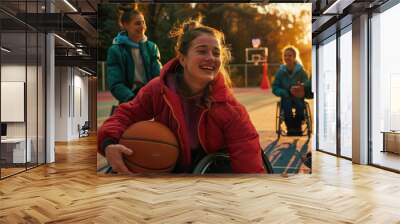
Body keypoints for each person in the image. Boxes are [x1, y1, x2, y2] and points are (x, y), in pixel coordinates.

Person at [98, 18, 266, 174]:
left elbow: (248, 160)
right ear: (183, 59)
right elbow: (125, 115)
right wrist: (108, 144)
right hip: (169, 171)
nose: (211, 58)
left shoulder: (230, 109)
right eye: (202, 51)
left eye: (216, 53)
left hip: (211, 177)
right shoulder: (158, 89)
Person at [106, 6, 162, 107]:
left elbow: (158, 77)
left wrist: (153, 96)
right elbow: (116, 83)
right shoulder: (115, 51)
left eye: (143, 22)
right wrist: (132, 99)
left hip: (151, 99)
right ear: (125, 25)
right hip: (130, 101)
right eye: (137, 23)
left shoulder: (152, 47)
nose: (142, 26)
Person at [272, 46, 312, 136]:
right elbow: (275, 87)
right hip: (286, 96)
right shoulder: (280, 72)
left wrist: (301, 87)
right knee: (286, 104)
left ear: (294, 57)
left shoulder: (301, 71)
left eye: (289, 55)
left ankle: (298, 127)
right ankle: (290, 127)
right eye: (285, 55)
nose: (287, 57)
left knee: (299, 104)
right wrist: (284, 92)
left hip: (298, 96)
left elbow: (306, 84)